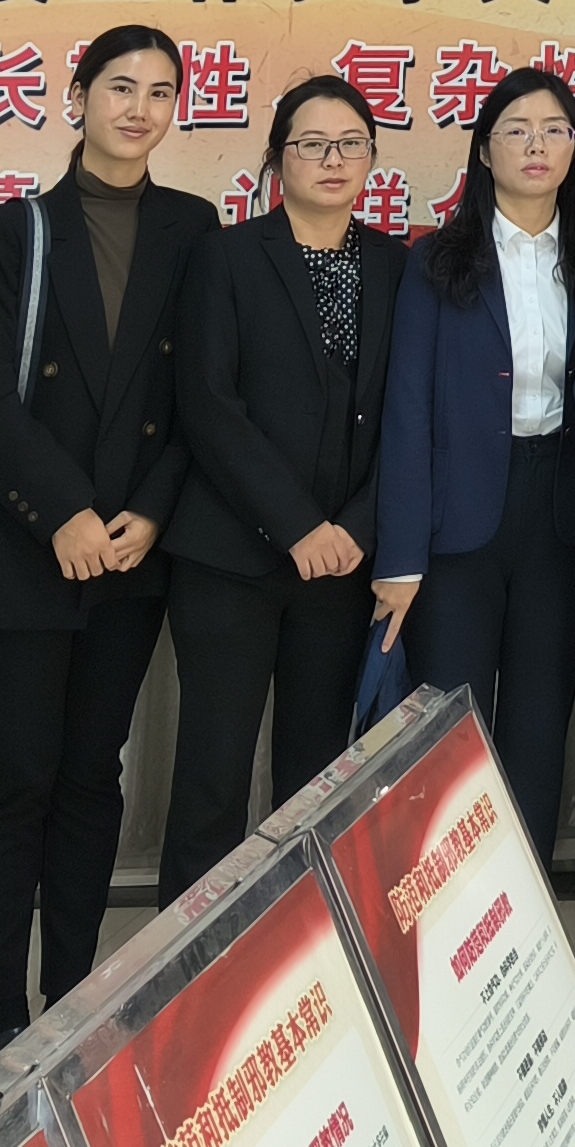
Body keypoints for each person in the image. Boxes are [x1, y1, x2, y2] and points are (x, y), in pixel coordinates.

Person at [0, 24, 206, 1063]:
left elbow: (202, 394)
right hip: (31, 546)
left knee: (94, 773)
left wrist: (151, 510)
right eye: (120, 87)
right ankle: (1, 1007)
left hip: (133, 551)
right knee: (15, 772)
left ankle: (70, 991)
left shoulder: (194, 229)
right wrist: (61, 513)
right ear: (80, 97)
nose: (139, 108)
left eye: (160, 91)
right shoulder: (18, 230)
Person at [159, 76, 404, 907]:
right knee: (212, 777)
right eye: (312, 145)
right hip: (231, 560)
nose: (334, 160)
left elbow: (410, 413)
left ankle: (303, 947)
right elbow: (208, 404)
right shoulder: (226, 256)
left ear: (372, 157)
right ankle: (193, 963)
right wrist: (299, 525)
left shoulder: (396, 266)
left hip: (341, 568)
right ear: (277, 158)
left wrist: (358, 528)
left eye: (351, 144)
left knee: (315, 777)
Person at [368, 65, 575, 878]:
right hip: (459, 522)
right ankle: (443, 914)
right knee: (449, 734)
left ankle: (521, 913)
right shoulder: (437, 262)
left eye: (555, 130)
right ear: (484, 149)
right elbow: (406, 411)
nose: (537, 146)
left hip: (561, 519)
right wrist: (401, 557)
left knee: (539, 730)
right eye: (517, 131)